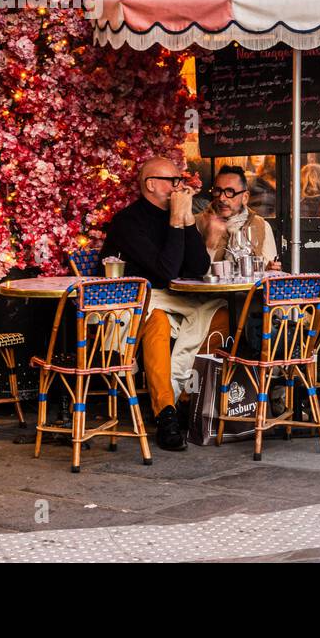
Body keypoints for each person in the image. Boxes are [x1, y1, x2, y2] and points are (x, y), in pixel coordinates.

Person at [101, 157, 225, 451]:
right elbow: (166, 271)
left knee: (221, 313)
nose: (180, 187)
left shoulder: (179, 214)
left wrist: (186, 221)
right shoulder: (128, 222)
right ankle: (166, 413)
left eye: (181, 181)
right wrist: (176, 221)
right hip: (136, 305)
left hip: (177, 300)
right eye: (174, 181)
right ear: (151, 184)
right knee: (155, 321)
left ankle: (184, 397)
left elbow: (197, 268)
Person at [196, 165, 283, 269]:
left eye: (230, 192)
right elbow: (193, 273)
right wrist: (210, 243)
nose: (222, 198)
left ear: (245, 197)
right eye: (218, 190)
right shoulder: (197, 223)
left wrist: (270, 268)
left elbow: (270, 269)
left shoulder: (261, 225)